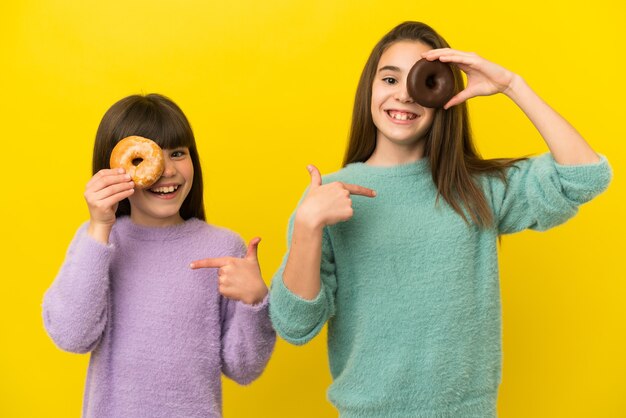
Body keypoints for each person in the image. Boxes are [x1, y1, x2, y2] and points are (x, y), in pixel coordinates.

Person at [268, 21, 612, 417]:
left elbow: (586, 176)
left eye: (420, 82)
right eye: (389, 78)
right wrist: (308, 228)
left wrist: (512, 85)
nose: (403, 96)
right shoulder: (327, 198)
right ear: (369, 89)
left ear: (444, 94)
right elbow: (294, 326)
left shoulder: (474, 190)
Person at [42, 93, 275, 418]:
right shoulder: (97, 241)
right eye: (145, 159)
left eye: (178, 153)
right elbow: (72, 335)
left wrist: (255, 302)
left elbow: (244, 368)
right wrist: (98, 228)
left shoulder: (223, 247)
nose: (166, 170)